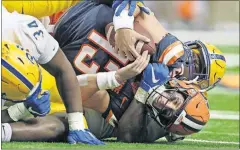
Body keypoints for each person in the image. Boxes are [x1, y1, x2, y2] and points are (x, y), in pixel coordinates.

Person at [1, 5, 103, 145]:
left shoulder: (23, 30)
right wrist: (19, 110)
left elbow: (62, 69)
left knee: (56, 126)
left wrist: (77, 125)